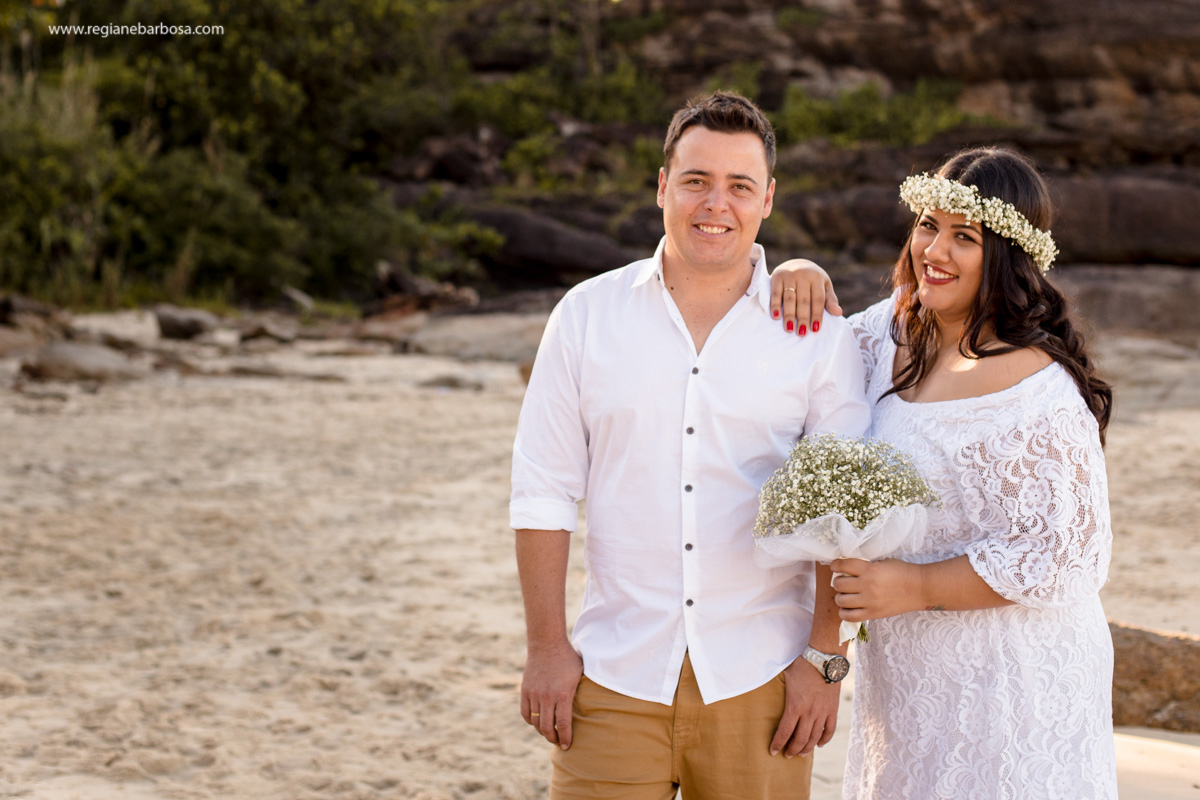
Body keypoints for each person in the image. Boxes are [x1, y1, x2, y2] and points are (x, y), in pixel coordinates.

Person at [509, 91, 872, 799]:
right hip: (612, 675)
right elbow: (543, 491)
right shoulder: (586, 317)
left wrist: (826, 659)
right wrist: (546, 649)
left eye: (739, 186)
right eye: (696, 180)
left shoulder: (819, 337)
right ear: (661, 187)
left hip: (764, 682)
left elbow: (841, 512)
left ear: (767, 199)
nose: (716, 204)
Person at [770, 147, 1118, 799]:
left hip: (1015, 683)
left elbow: (1066, 557)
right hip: (905, 676)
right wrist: (801, 269)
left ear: (1010, 257)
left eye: (965, 237)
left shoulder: (1040, 395)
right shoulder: (887, 336)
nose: (935, 248)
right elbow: (810, 373)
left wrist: (916, 585)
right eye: (928, 225)